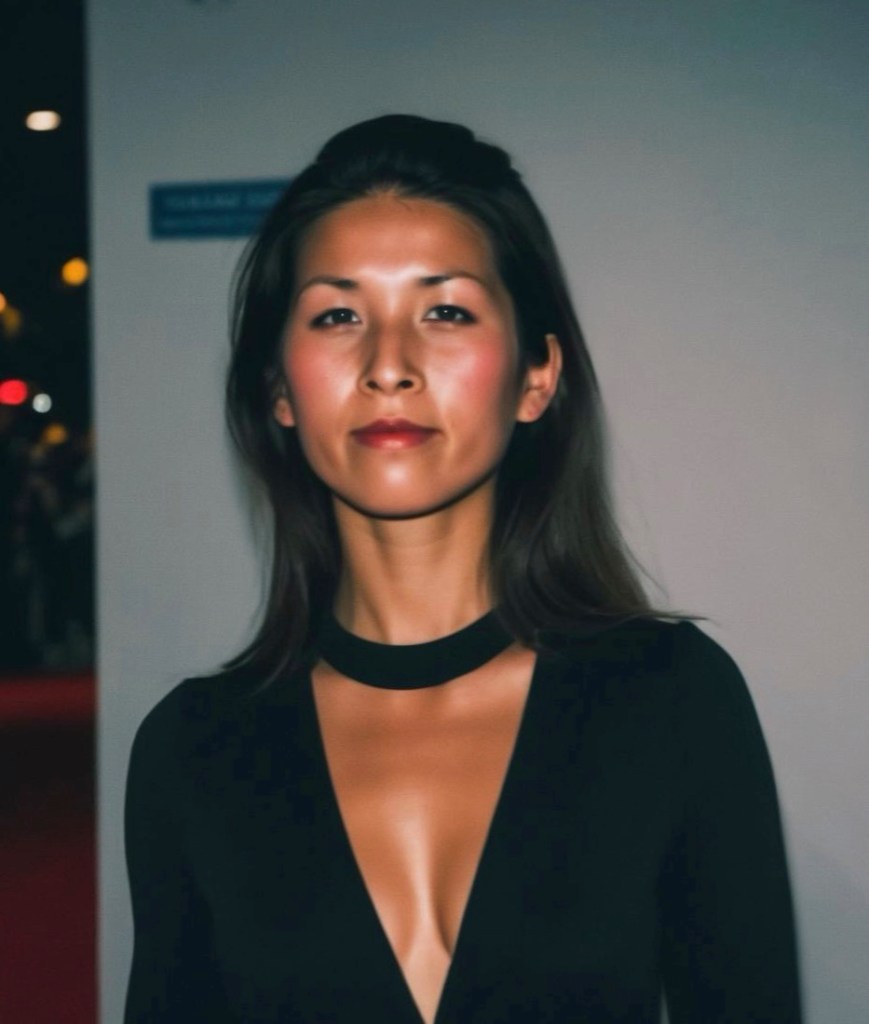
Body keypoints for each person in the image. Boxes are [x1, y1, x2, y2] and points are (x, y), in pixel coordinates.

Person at [124, 115, 802, 1023]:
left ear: (536, 375)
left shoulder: (672, 698)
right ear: (277, 387)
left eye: (444, 311)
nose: (388, 366)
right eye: (337, 315)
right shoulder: (191, 749)